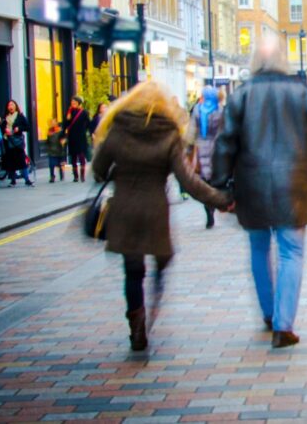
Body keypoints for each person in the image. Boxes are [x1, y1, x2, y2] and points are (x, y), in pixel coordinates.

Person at [212, 34, 307, 349]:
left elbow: (225, 142)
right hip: (295, 184)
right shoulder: (302, 93)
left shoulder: (241, 96)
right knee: (291, 251)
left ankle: (269, 313)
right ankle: (283, 325)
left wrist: (221, 183)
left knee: (258, 248)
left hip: (251, 184)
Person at [90, 81, 230, 351]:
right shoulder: (168, 134)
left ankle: (137, 325)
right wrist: (221, 200)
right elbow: (189, 181)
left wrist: (116, 171)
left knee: (132, 271)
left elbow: (98, 169)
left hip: (124, 208)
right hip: (155, 209)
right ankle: (156, 288)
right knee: (162, 257)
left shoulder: (118, 129)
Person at [186, 88, 225, 229]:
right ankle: (213, 204)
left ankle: (208, 207)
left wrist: (188, 148)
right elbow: (225, 129)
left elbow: (191, 130)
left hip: (201, 148)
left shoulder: (198, 109)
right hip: (217, 148)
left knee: (204, 180)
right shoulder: (220, 110)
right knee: (214, 179)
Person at [2, 101, 32, 187]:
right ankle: (13, 180)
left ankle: (27, 179)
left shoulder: (20, 116)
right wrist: (5, 129)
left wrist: (19, 128)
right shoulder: (5, 117)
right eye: (9, 105)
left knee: (22, 160)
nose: (10, 106)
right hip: (8, 141)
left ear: (15, 106)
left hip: (17, 141)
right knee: (10, 161)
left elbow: (27, 127)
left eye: (12, 105)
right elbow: (2, 127)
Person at [63, 96, 90, 182]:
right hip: (72, 137)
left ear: (79, 103)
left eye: (74, 103)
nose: (72, 104)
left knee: (81, 156)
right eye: (72, 103)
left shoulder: (84, 112)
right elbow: (66, 125)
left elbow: (88, 123)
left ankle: (82, 175)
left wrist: (86, 130)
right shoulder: (69, 112)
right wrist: (67, 118)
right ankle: (75, 176)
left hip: (81, 137)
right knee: (73, 157)